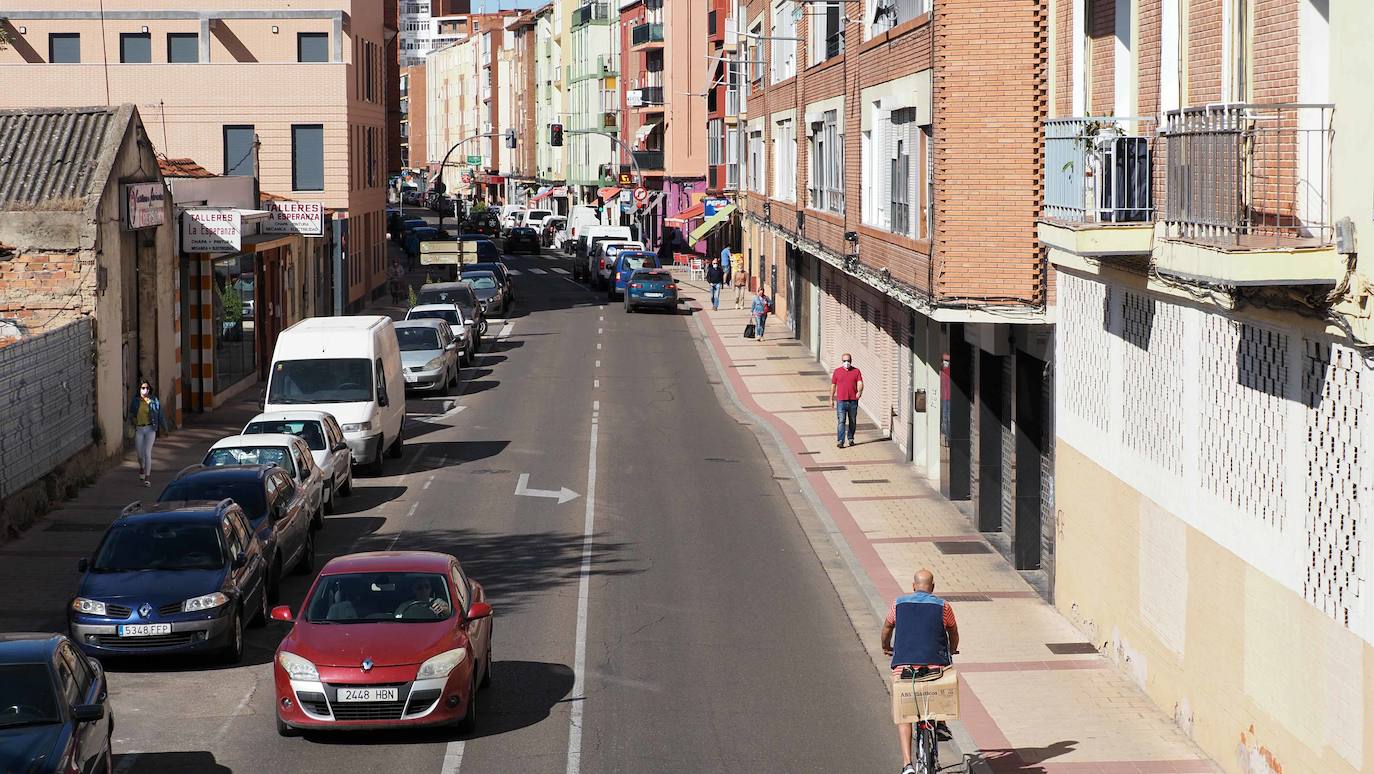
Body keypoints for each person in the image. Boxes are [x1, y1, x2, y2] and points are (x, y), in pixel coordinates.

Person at [881, 569, 959, 774]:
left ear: (913, 586)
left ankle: (907, 764)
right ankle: (940, 722)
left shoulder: (897, 604)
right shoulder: (944, 606)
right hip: (935, 667)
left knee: (904, 714)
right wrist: (952, 650)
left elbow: (887, 627)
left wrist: (886, 647)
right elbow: (953, 631)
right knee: (940, 687)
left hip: (904, 669)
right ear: (932, 588)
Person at [127, 380, 168, 487]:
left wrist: (165, 428)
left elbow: (160, 415)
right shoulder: (136, 401)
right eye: (143, 388)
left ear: (150, 390)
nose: (145, 390)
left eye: (147, 388)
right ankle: (141, 467)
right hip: (139, 429)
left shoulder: (154, 401)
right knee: (140, 455)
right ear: (139, 389)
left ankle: (147, 477)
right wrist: (132, 420)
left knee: (147, 452)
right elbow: (131, 413)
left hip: (150, 429)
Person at [830, 353, 864, 448]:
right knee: (841, 421)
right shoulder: (837, 371)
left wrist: (859, 391)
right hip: (841, 401)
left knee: (852, 421)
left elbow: (860, 382)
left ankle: (851, 438)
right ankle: (840, 441)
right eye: (844, 361)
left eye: (848, 361)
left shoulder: (856, 371)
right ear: (842, 361)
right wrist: (831, 398)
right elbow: (833, 385)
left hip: (853, 401)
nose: (846, 362)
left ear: (851, 361)